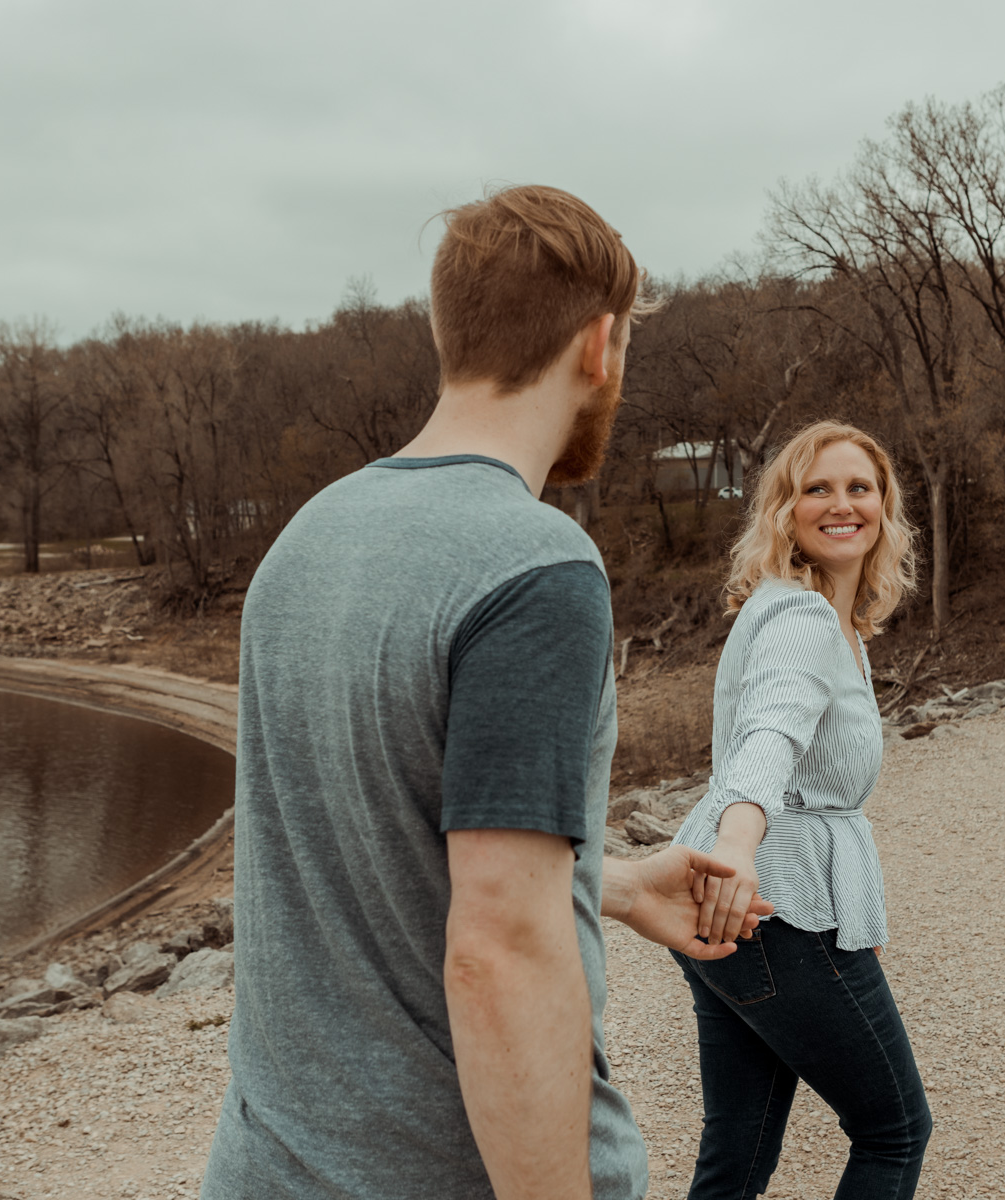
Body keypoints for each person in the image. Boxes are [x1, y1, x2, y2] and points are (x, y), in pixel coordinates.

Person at [200, 184, 768, 1200]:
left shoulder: (306, 540)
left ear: (448, 334)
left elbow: (373, 848)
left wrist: (614, 884)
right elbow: (498, 949)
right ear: (601, 345)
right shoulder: (535, 566)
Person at [669, 420, 933, 1199]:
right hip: (766, 901)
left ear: (885, 506)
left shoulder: (832, 621)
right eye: (817, 488)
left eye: (860, 487)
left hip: (738, 909)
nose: (841, 504)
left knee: (738, 1152)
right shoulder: (803, 620)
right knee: (894, 1132)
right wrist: (739, 850)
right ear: (786, 509)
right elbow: (768, 741)